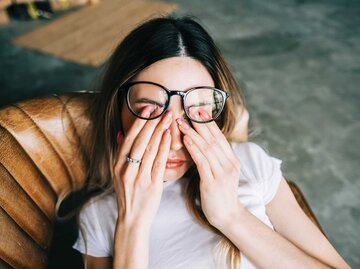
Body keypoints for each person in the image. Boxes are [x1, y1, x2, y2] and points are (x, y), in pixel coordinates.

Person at [72, 16, 350, 269]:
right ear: (118, 114)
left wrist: (231, 216)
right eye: (151, 111)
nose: (175, 142)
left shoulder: (250, 164)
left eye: (197, 110)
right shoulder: (99, 216)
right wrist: (133, 223)